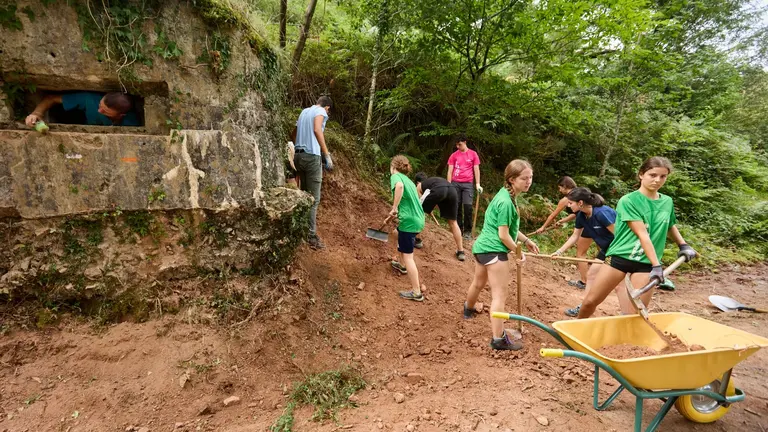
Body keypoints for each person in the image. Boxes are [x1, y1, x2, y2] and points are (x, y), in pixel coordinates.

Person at [576, 157, 697, 318]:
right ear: (641, 174)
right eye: (652, 175)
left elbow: (669, 224)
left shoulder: (667, 202)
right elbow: (642, 234)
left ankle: (625, 343)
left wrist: (683, 245)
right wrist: (657, 265)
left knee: (635, 314)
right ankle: (574, 333)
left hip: (646, 264)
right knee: (590, 301)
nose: (657, 180)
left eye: (663, 176)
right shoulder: (629, 201)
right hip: (621, 257)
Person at [463, 160, 540, 350]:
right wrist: (518, 252)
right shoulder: (506, 202)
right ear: (512, 179)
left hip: (482, 247)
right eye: (524, 178)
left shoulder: (505, 194)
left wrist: (526, 241)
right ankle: (498, 339)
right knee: (499, 295)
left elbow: (509, 228)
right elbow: (503, 235)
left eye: (530, 177)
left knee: (478, 283)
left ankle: (468, 309)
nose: (528, 181)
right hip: (495, 250)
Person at [550, 187, 616, 317]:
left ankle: (629, 313)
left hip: (619, 247)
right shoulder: (581, 216)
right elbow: (575, 236)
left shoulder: (602, 213)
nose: (568, 206)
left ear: (580, 203)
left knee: (620, 284)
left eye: (570, 203)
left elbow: (620, 235)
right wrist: (559, 252)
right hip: (607, 248)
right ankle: (584, 306)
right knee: (591, 275)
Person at [291, 96, 333, 250]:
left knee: (303, 195)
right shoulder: (321, 111)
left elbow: (293, 133)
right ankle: (311, 235)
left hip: (298, 156)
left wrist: (298, 146)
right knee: (313, 199)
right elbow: (317, 129)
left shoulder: (304, 112)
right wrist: (326, 153)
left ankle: (300, 229)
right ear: (327, 107)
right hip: (312, 157)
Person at [535, 176, 590, 289]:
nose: (559, 190)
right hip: (590, 222)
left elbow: (553, 214)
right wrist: (564, 220)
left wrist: (543, 227)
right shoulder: (580, 193)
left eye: (560, 188)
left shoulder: (567, 199)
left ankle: (585, 282)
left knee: (581, 254)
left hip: (587, 225)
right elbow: (577, 213)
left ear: (565, 186)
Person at [387, 156, 426, 301]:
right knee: (396, 233)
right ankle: (401, 265)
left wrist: (395, 208)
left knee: (409, 256)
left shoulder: (397, 177)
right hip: (417, 219)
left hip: (409, 222)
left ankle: (417, 292)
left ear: (393, 167)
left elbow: (399, 187)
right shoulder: (409, 180)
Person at [413, 172, 466, 261]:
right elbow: (437, 200)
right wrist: (430, 207)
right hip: (452, 191)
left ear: (417, 182)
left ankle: (416, 240)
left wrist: (426, 208)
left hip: (440, 190)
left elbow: (419, 202)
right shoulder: (433, 181)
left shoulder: (419, 186)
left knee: (419, 212)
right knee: (453, 222)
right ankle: (461, 251)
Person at [25, 91, 139, 127]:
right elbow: (51, 99)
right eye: (100, 106)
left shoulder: (131, 123)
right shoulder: (90, 100)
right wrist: (37, 113)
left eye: (105, 112)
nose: (99, 110)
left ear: (121, 115)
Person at [447, 134, 482, 239]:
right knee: (456, 207)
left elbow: (476, 169)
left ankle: (467, 231)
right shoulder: (454, 155)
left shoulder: (473, 154)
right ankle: (458, 229)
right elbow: (450, 171)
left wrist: (478, 184)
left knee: (467, 207)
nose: (458, 146)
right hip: (455, 183)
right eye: (456, 145)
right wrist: (449, 185)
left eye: (460, 144)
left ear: (465, 142)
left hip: (468, 184)